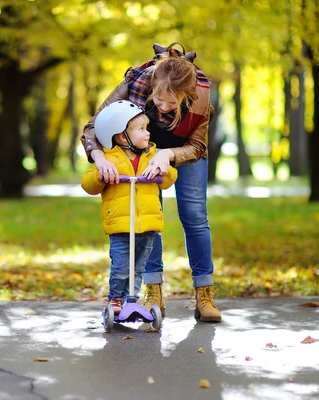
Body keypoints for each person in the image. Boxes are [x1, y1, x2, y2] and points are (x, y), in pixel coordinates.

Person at [81, 42, 222, 322]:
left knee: (195, 216)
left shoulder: (201, 96)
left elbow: (198, 146)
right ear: (152, 87)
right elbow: (92, 126)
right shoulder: (135, 83)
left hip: (183, 151)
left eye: (173, 103)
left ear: (187, 95)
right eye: (159, 99)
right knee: (144, 215)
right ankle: (153, 289)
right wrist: (100, 158)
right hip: (141, 150)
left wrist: (167, 155)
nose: (164, 106)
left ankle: (204, 292)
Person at [81, 100, 177, 314]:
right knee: (122, 267)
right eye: (142, 129)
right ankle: (116, 299)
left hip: (147, 226)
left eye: (147, 128)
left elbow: (170, 179)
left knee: (138, 268)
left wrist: (164, 170)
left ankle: (130, 301)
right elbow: (88, 184)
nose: (148, 133)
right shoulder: (107, 159)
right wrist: (101, 174)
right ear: (122, 136)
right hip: (121, 225)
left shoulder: (151, 157)